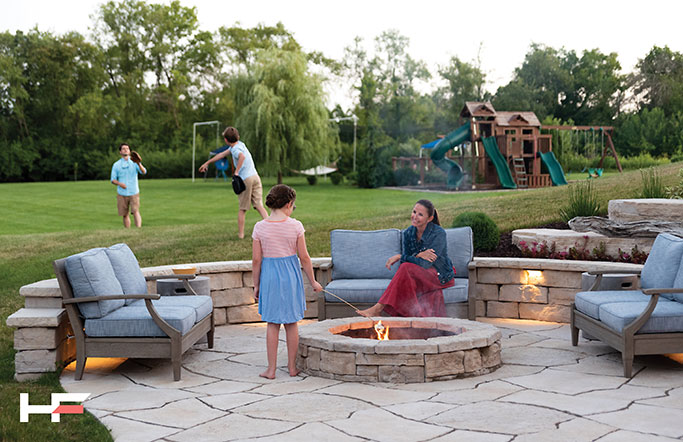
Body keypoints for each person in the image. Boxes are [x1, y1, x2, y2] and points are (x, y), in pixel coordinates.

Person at [251, 184, 322, 379]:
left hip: (270, 278)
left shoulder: (260, 227)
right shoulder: (296, 226)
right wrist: (313, 281)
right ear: (289, 204)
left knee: (272, 323)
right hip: (291, 277)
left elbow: (256, 260)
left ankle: (271, 369)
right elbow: (305, 257)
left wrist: (256, 285)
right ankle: (292, 367)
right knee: (291, 323)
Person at [358, 199, 455, 318]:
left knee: (405, 268)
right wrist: (418, 255)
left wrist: (401, 256)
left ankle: (378, 308)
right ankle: (409, 315)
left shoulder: (438, 233)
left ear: (429, 218)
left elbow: (425, 264)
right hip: (420, 274)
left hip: (439, 275)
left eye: (420, 214)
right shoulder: (408, 233)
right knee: (405, 268)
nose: (415, 216)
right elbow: (406, 262)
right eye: (414, 212)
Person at [198, 127, 268, 238]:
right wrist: (207, 162)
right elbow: (221, 155)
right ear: (238, 137)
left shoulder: (235, 150)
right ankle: (272, 229)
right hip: (255, 177)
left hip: (246, 179)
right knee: (259, 205)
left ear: (226, 140)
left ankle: (241, 234)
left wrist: (236, 172)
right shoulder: (240, 144)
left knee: (242, 209)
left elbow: (242, 157)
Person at [110, 143, 147, 228]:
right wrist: (120, 184)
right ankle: (128, 231)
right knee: (125, 214)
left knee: (135, 211)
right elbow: (113, 180)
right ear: (120, 152)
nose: (125, 150)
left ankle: (139, 229)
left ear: (129, 151)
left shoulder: (134, 163)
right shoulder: (116, 165)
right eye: (123, 149)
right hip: (122, 193)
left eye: (127, 148)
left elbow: (144, 172)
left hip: (134, 191)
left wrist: (139, 163)